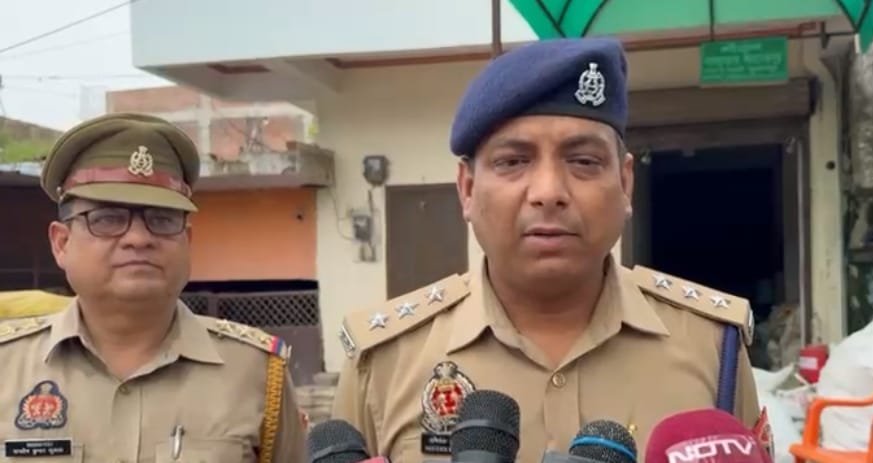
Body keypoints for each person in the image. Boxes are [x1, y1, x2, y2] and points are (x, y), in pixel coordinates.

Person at [332, 37, 768, 462]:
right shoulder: (384, 362)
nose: (548, 192)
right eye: (513, 162)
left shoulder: (714, 348)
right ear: (467, 189)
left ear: (624, 183)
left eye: (584, 161)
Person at [0, 113, 306, 462]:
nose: (138, 238)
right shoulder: (7, 367)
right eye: (108, 219)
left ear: (187, 241)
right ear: (61, 243)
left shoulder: (254, 372)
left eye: (161, 219)